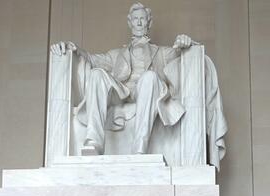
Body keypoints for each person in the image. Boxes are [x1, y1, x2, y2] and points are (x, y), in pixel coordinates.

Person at [50, 2, 196, 155]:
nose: (139, 22)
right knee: (97, 74)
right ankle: (94, 141)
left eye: (142, 19)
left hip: (147, 90)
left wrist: (185, 42)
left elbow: (180, 53)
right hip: (122, 92)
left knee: (150, 77)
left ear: (149, 22)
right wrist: (71, 48)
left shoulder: (162, 53)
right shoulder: (116, 55)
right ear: (129, 22)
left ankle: (139, 148)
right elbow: (91, 59)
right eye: (135, 19)